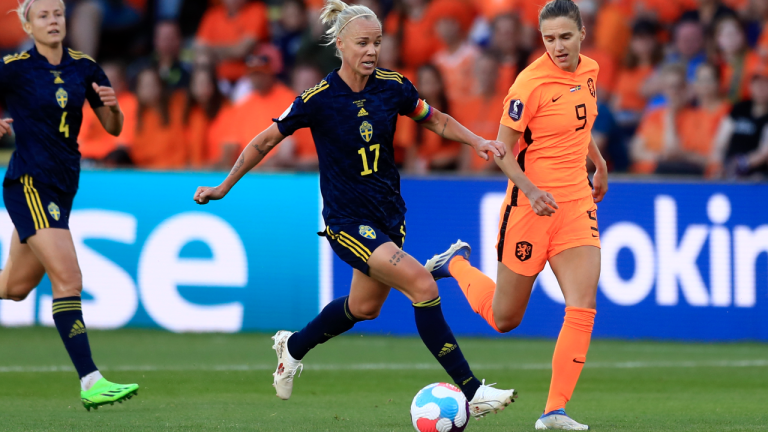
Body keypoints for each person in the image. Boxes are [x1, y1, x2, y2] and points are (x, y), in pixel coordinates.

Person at [193, 0, 517, 419]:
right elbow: (264, 141)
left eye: (377, 42)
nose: (371, 50)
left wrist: (477, 141)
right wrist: (223, 187)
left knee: (364, 308)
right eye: (363, 42)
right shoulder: (318, 98)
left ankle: (292, 347)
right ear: (341, 45)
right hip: (347, 222)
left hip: (389, 215)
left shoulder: (393, 86)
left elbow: (434, 119)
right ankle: (473, 391)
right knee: (422, 286)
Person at [424, 0, 607, 429]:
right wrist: (530, 190)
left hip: (576, 205)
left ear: (582, 34)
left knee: (583, 305)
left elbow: (579, 126)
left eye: (565, 37)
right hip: (529, 208)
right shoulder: (529, 84)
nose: (558, 46)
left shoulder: (590, 71)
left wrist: (598, 163)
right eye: (549, 38)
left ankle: (554, 411)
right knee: (505, 318)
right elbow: (502, 149)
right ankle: (455, 264)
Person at [0, 0, 138, 410]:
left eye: (57, 14)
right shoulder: (14, 67)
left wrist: (114, 108)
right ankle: (91, 381)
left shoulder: (85, 67)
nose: (53, 21)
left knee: (14, 287)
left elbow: (113, 129)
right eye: (43, 16)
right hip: (29, 182)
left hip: (63, 187)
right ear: (28, 26)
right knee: (69, 279)